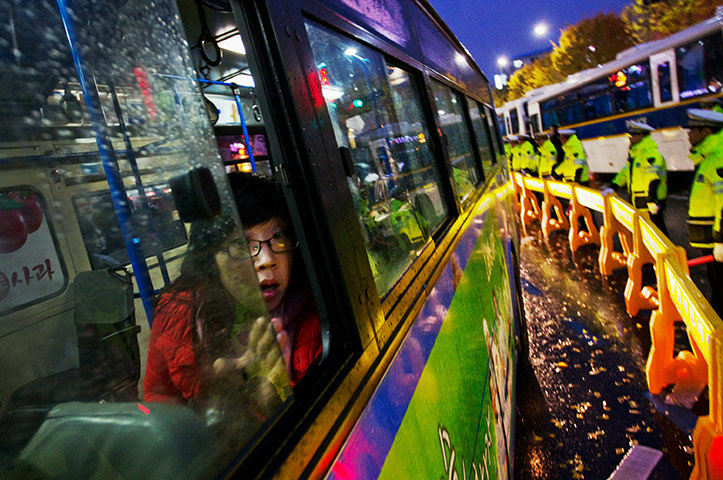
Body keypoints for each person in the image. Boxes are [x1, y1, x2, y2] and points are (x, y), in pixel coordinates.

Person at [144, 172, 320, 406]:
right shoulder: (178, 313)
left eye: (278, 236)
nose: (266, 260)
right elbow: (159, 401)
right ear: (211, 258)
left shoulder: (322, 313)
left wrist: (270, 403)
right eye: (240, 243)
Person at [686, 108, 723, 315]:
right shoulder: (708, 158)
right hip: (709, 239)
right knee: (717, 286)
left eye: (693, 130)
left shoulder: (717, 159)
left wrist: (720, 240)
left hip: (715, 240)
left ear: (707, 131)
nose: (689, 135)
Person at [612, 121, 668, 235]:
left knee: (658, 233)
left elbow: (653, 178)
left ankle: (668, 252)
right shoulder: (637, 154)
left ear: (641, 136)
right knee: (648, 232)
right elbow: (625, 173)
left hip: (651, 201)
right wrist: (613, 186)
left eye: (633, 135)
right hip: (640, 200)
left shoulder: (649, 153)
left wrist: (651, 200)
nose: (630, 138)